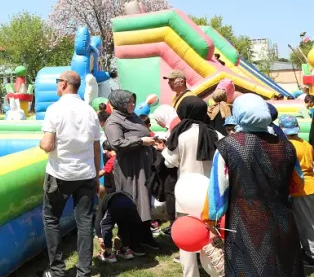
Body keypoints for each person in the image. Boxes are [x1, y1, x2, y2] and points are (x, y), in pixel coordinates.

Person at [205, 93, 304, 277]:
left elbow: (218, 192)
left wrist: (212, 219)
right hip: (283, 222)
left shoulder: (227, 147)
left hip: (245, 224)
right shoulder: (287, 146)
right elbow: (298, 184)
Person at [38, 70, 100, 277]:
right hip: (86, 173)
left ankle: (57, 270)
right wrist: (95, 175)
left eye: (58, 82)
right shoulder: (89, 111)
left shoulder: (55, 109)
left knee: (51, 219)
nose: (57, 85)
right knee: (84, 222)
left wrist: (41, 144)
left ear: (64, 84)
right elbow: (96, 146)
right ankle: (84, 271)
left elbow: (48, 145)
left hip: (60, 174)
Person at [163, 96, 222, 277]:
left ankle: (190, 274)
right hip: (211, 195)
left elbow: (169, 162)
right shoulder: (216, 134)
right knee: (212, 236)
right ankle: (216, 271)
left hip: (186, 194)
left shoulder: (180, 135)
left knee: (187, 235)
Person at [104, 89, 160, 251]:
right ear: (119, 103)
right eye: (128, 102)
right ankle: (132, 241)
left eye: (133, 101)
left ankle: (145, 236)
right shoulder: (113, 122)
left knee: (144, 200)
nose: (132, 104)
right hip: (130, 168)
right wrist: (141, 141)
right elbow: (117, 143)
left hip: (143, 165)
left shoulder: (132, 116)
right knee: (133, 200)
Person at [279, 115, 314, 268]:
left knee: (306, 224)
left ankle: (311, 256)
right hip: (311, 185)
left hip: (301, 189)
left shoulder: (288, 146)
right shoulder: (305, 144)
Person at [95, 188, 146, 263]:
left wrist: (100, 237)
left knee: (105, 225)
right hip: (131, 205)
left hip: (116, 206)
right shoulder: (122, 194)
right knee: (125, 224)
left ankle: (108, 254)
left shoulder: (104, 200)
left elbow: (98, 220)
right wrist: (119, 236)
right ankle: (125, 250)